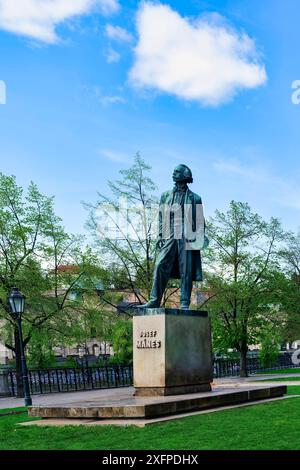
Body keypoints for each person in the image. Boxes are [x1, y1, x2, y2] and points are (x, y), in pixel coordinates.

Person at [142, 164, 207, 310]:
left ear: (185, 175)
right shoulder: (165, 195)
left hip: (187, 234)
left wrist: (199, 238)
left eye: (177, 172)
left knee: (186, 270)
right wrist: (160, 234)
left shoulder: (195, 198)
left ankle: (184, 302)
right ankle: (154, 300)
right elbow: (161, 217)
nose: (173, 173)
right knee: (160, 265)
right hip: (170, 232)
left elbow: (200, 221)